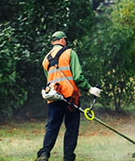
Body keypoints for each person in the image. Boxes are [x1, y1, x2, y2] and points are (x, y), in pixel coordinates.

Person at [36, 31, 101, 161]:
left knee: (52, 126)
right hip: (70, 97)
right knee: (71, 128)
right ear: (63, 40)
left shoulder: (45, 59)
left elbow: (49, 80)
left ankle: (44, 153)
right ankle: (68, 157)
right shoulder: (70, 53)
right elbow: (77, 77)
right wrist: (90, 89)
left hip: (53, 97)